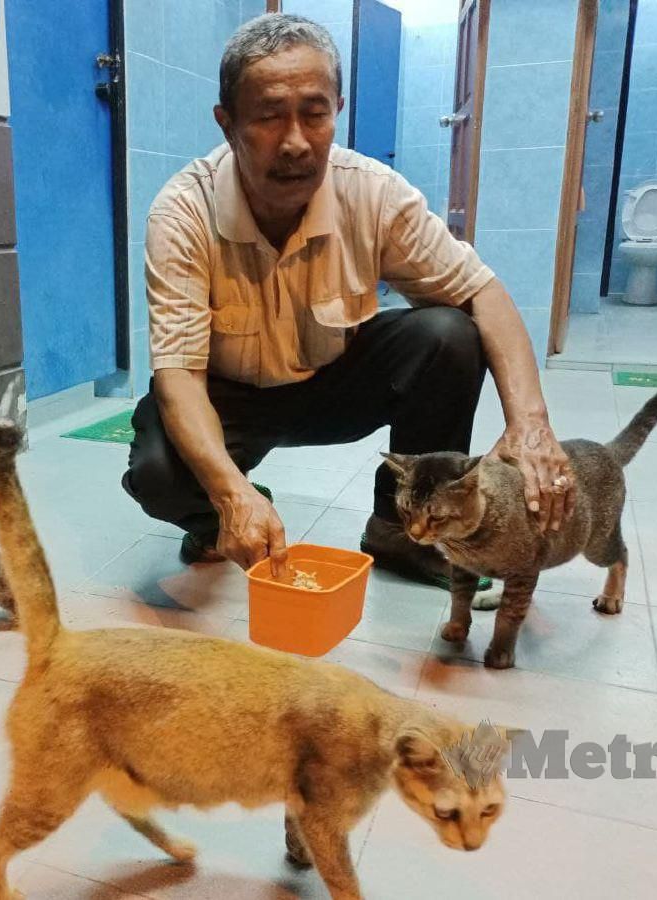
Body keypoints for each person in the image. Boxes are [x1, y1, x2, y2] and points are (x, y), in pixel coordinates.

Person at [122, 13, 575, 588]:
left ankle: (396, 532)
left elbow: (482, 291)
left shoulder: (374, 193)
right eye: (267, 116)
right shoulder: (181, 214)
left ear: (337, 109)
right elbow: (179, 375)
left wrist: (530, 424)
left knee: (449, 335)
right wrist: (230, 493)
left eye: (315, 114)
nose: (294, 142)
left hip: (335, 384)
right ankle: (227, 510)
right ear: (227, 123)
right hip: (230, 399)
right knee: (158, 472)